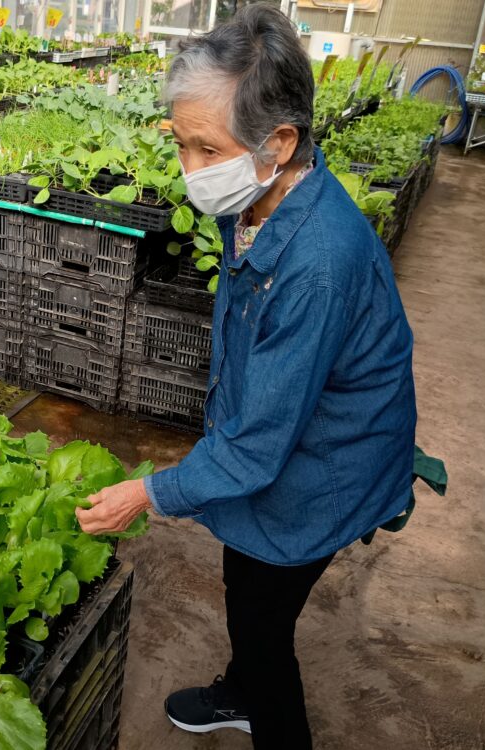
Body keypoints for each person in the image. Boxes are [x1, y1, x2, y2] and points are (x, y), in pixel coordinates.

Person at [74, 4, 417, 749]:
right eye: (181, 145)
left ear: (281, 140)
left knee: (264, 622)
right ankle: (238, 689)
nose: (191, 172)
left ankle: (267, 712)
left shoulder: (320, 263)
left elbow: (262, 446)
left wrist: (149, 492)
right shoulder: (259, 194)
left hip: (328, 460)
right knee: (246, 580)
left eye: (207, 149)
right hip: (291, 436)